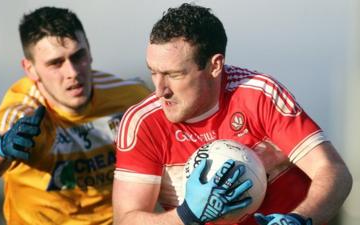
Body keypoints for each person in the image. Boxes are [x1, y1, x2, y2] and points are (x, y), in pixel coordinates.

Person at [112, 3, 353, 225]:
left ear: (214, 66)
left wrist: (300, 219)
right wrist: (186, 215)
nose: (160, 90)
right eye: (153, 72)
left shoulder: (259, 95)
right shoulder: (143, 122)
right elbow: (126, 220)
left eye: (174, 75)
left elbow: (334, 172)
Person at [0, 6, 150, 225]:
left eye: (78, 56)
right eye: (55, 63)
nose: (73, 72)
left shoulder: (131, 97)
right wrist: (3, 147)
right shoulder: (24, 112)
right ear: (30, 69)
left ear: (90, 50)